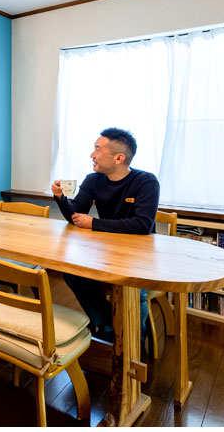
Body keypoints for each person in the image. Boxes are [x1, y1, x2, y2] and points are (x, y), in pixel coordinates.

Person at [51, 127, 159, 344]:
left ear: (119, 158)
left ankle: (135, 341)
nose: (92, 155)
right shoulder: (93, 180)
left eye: (98, 150)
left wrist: (93, 223)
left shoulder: (146, 181)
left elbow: (142, 225)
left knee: (132, 288)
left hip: (139, 254)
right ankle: (107, 323)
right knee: (72, 273)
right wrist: (61, 198)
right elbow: (76, 215)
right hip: (106, 250)